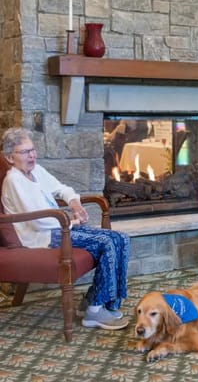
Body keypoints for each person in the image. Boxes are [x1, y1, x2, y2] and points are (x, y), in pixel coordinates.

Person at [1, 128, 130, 330]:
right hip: (42, 236)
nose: (32, 155)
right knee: (107, 241)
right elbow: (38, 221)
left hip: (58, 228)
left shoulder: (36, 171)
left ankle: (96, 301)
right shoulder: (14, 181)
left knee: (121, 238)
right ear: (10, 157)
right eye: (25, 152)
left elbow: (61, 187)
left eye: (33, 150)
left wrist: (74, 204)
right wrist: (71, 222)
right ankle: (95, 311)